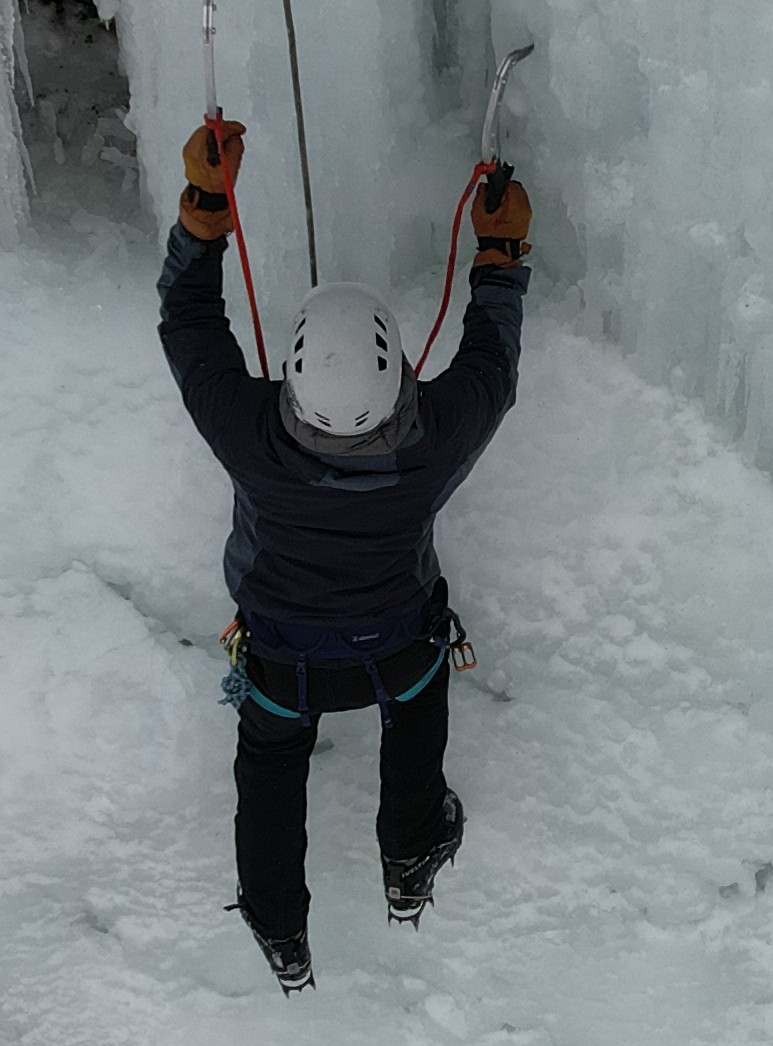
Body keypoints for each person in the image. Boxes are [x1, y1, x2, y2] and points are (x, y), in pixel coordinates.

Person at [160, 111, 533, 988]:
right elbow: (493, 360)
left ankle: (279, 926)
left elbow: (188, 325)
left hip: (282, 665)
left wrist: (204, 207)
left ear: (289, 377)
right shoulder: (436, 439)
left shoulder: (247, 432)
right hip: (397, 646)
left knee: (270, 771)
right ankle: (410, 854)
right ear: (400, 369)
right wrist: (500, 256)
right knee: (416, 719)